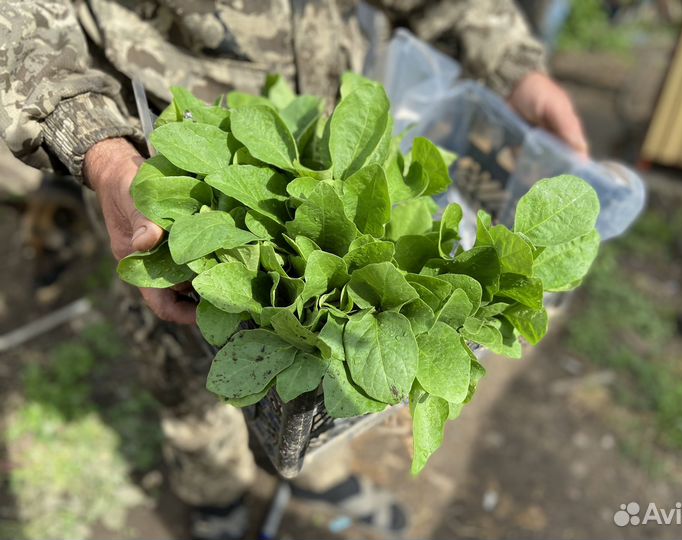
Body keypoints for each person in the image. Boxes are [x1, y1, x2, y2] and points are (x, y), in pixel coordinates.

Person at [0, 1, 588, 538]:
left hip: (322, 123)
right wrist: (101, 148)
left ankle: (313, 470)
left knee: (326, 379)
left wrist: (510, 61)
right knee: (183, 362)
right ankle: (214, 495)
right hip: (158, 148)